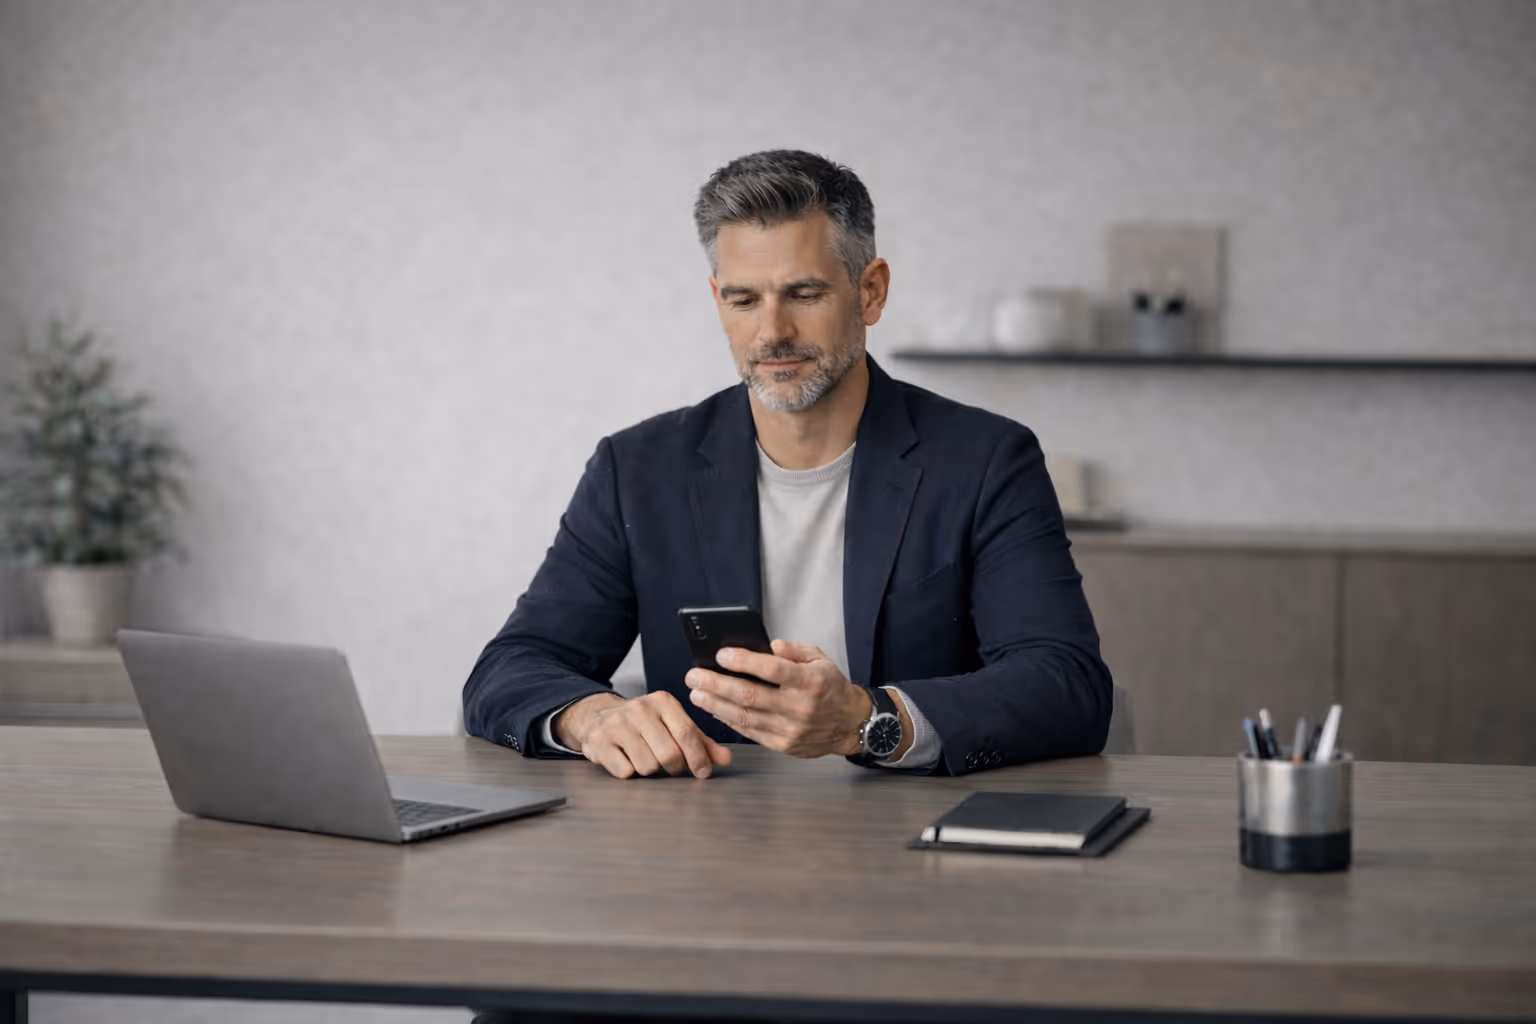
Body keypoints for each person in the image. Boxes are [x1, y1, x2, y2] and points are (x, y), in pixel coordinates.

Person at [463, 149, 1111, 779]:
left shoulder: (987, 460)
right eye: (744, 300)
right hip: (707, 836)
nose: (772, 331)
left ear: (871, 292)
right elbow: (511, 668)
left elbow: (1066, 685)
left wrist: (865, 720)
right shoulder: (634, 470)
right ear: (717, 300)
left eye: (803, 294)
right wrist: (592, 718)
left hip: (916, 838)